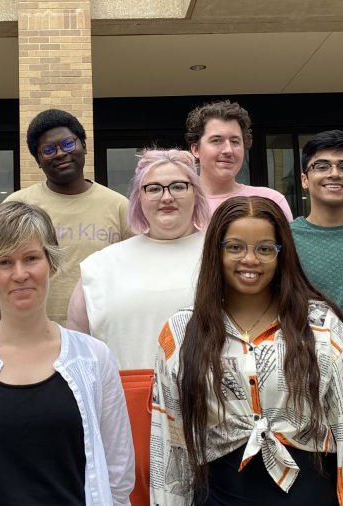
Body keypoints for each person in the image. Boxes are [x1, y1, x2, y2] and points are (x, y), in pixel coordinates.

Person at [150, 196, 343, 506]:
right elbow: (170, 443)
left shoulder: (323, 327)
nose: (250, 259)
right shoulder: (181, 332)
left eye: (264, 248)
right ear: (216, 252)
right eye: (235, 247)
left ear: (282, 254)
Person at [0, 201, 135, 506]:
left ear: (51, 264)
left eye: (31, 258)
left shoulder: (95, 359)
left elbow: (118, 471)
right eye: (4, 262)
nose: (20, 274)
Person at [66, 148, 210, 506]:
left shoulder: (224, 255)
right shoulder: (100, 266)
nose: (166, 197)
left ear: (196, 192)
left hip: (211, 405)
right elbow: (76, 354)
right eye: (153, 188)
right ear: (138, 199)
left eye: (178, 186)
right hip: (124, 413)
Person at [3, 109, 132, 325]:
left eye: (68, 144)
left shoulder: (119, 206)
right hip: (34, 332)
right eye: (48, 149)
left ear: (84, 145)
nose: (61, 153)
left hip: (102, 330)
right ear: (37, 159)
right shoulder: (17, 206)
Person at [290, 130, 343, 330]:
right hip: (306, 356)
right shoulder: (285, 237)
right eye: (322, 166)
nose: (334, 173)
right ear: (304, 180)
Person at [185, 100, 294, 221]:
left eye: (234, 141)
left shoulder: (270, 201)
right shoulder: (178, 202)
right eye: (216, 140)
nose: (228, 150)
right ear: (196, 149)